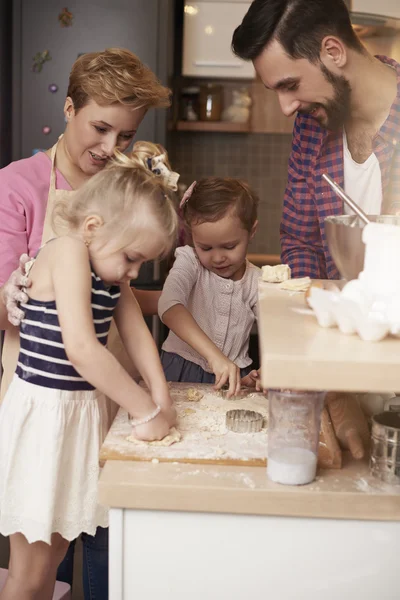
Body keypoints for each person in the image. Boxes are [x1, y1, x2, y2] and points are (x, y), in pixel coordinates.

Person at [0, 48, 171, 599]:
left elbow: (129, 303)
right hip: (48, 404)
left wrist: (156, 396)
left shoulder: (123, 192)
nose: (111, 149)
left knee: (86, 562)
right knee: (36, 570)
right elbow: (73, 341)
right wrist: (12, 292)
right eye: (101, 129)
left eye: (125, 136)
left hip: (102, 406)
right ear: (70, 108)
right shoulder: (24, 190)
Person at [232, 0, 400, 279]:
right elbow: (301, 241)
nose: (286, 108)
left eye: (290, 85)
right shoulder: (311, 125)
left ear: (333, 52)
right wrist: (314, 303)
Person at [159, 177, 261, 398]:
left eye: (229, 246)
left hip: (231, 377)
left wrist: (266, 371)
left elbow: (278, 331)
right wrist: (215, 357)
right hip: (179, 370)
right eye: (205, 247)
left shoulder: (257, 281)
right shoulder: (189, 261)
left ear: (252, 231)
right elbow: (169, 306)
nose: (217, 258)